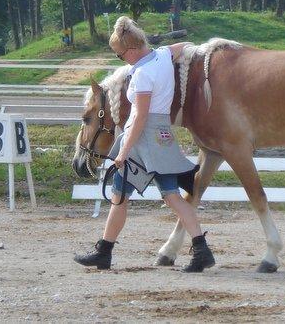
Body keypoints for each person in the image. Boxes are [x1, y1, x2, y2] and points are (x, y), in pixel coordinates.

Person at [73, 16, 215, 273]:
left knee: (161, 198)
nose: (121, 60)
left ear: (133, 49)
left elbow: (139, 116)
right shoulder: (161, 56)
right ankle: (104, 251)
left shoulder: (142, 75)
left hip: (142, 140)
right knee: (130, 196)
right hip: (162, 135)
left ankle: (201, 249)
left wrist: (123, 153)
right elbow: (183, 46)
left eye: (120, 55)